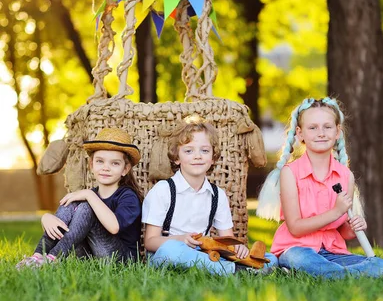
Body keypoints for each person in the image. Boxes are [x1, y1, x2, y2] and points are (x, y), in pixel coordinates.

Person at [257, 97, 383, 278]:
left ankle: (335, 274)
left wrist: (352, 228)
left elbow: (342, 230)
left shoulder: (346, 176)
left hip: (333, 253)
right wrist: (336, 211)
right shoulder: (290, 173)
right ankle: (350, 274)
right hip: (296, 250)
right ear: (300, 134)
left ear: (337, 132)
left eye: (327, 127)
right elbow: (296, 227)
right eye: (312, 128)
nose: (321, 133)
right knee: (301, 259)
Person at [143, 116, 278, 275]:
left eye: (204, 150)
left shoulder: (217, 195)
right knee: (172, 251)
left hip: (205, 254)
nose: (197, 156)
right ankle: (236, 271)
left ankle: (234, 268)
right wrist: (181, 239)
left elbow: (227, 240)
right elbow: (150, 242)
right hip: (168, 253)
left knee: (271, 258)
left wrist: (238, 248)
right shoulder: (163, 190)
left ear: (213, 158)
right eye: (189, 150)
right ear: (177, 158)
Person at [17, 128, 143, 268]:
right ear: (91, 165)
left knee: (85, 205)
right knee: (73, 201)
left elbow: (114, 227)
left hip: (122, 259)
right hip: (90, 256)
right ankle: (38, 256)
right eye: (100, 161)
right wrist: (46, 217)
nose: (106, 167)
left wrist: (89, 195)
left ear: (125, 169)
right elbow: (71, 221)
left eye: (115, 163)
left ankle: (53, 258)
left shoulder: (128, 196)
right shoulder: (90, 195)